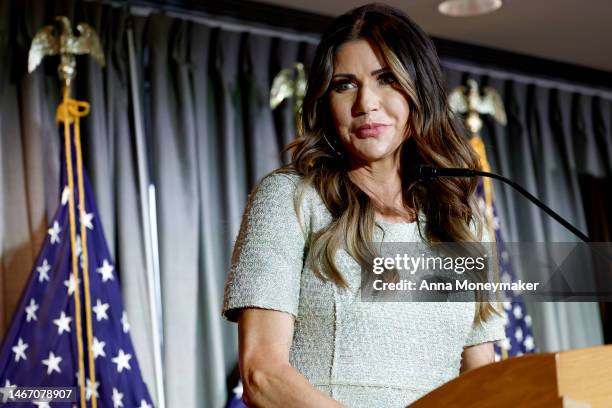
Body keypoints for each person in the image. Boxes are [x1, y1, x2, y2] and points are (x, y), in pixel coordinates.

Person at [222, 3, 505, 407]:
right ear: (325, 101)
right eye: (344, 85)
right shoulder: (291, 198)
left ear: (417, 90)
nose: (366, 103)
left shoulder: (461, 221)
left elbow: (484, 381)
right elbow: (262, 375)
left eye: (386, 79)